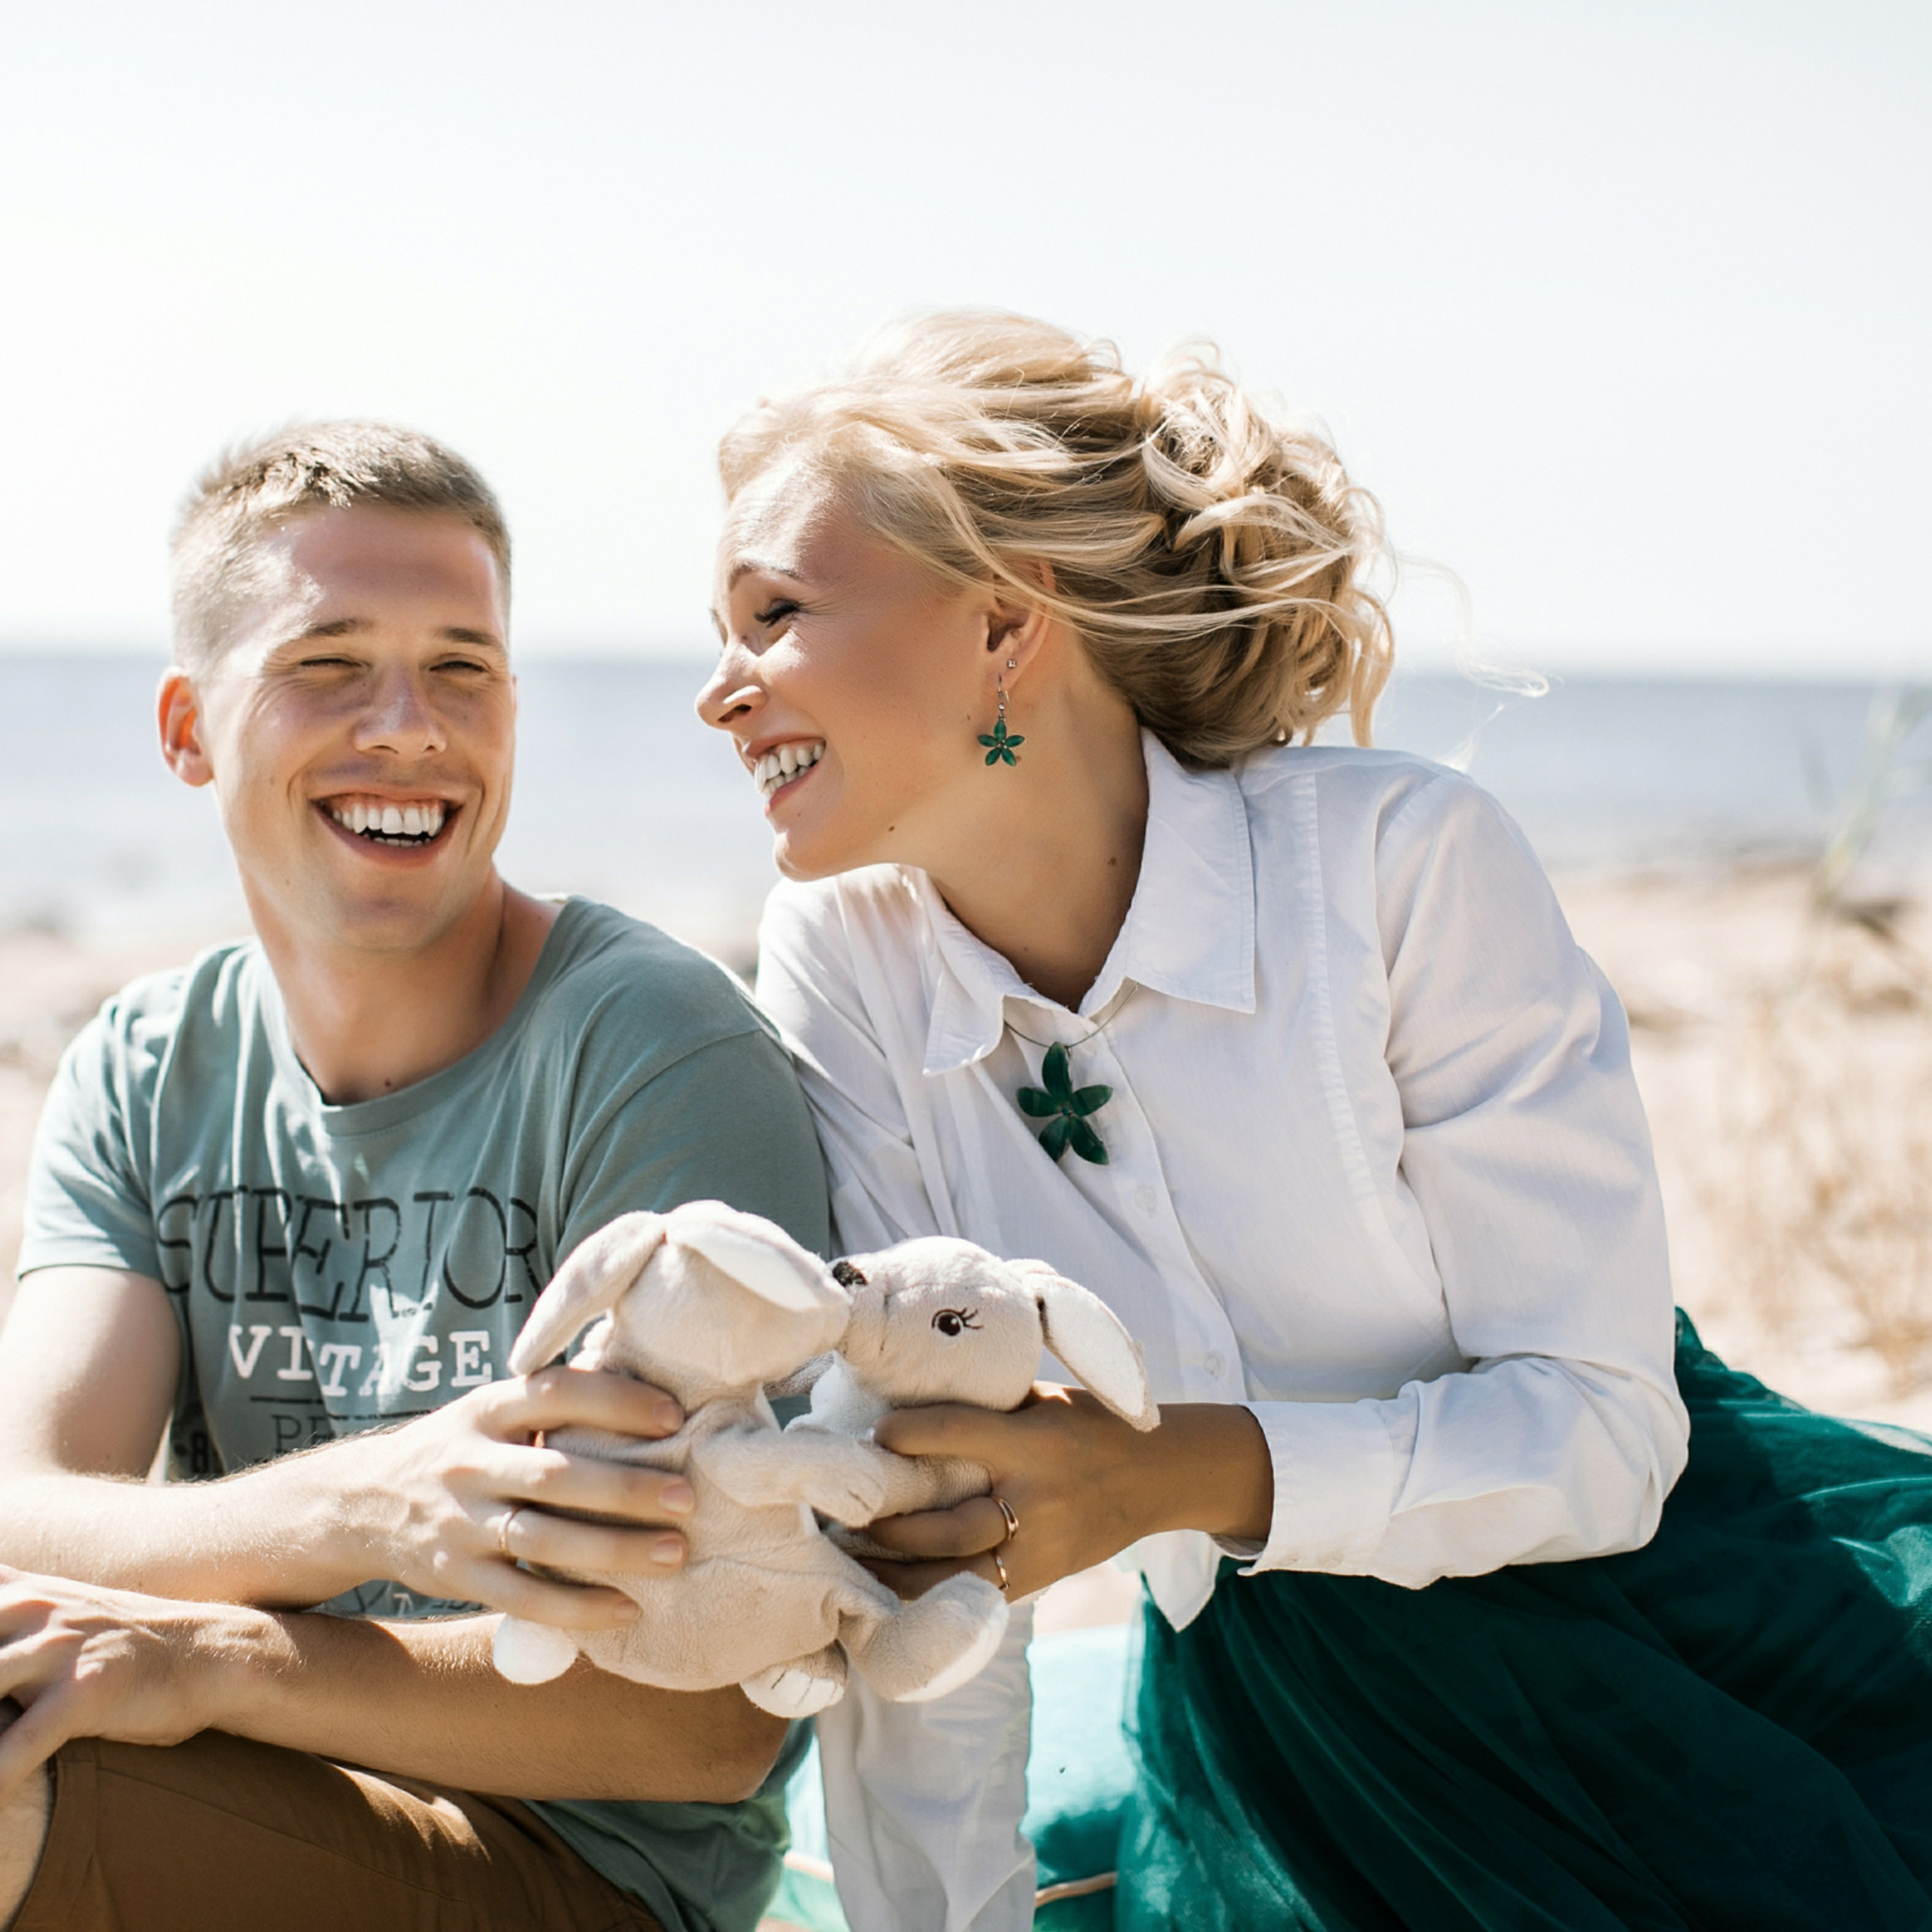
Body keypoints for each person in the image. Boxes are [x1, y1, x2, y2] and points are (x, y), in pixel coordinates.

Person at [698, 313, 1932, 1930]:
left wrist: (1158, 1475)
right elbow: (910, 1489)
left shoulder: (1396, 865)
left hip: (1681, 1622)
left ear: (1005, 622)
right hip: (1281, 1720)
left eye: (775, 614)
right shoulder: (840, 961)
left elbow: (1600, 1438)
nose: (721, 694)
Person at [0, 423, 831, 1932]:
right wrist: (362, 1512)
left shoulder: (648, 1046)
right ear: (189, 728)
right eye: (329, 661)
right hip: (252, 1779)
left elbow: (701, 1722)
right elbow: (27, 1508)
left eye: (462, 666)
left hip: (577, 1873)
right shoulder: (144, 1062)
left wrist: (211, 1655)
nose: (411, 723)